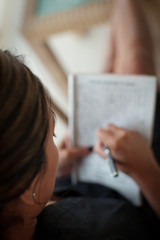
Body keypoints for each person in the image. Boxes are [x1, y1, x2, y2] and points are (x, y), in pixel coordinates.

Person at [0, 0, 160, 240]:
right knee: (135, 67)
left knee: (106, 82)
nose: (57, 141)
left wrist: (57, 174)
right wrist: (147, 172)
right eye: (51, 136)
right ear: (27, 182)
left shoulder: (15, 211)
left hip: (79, 194)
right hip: (142, 203)